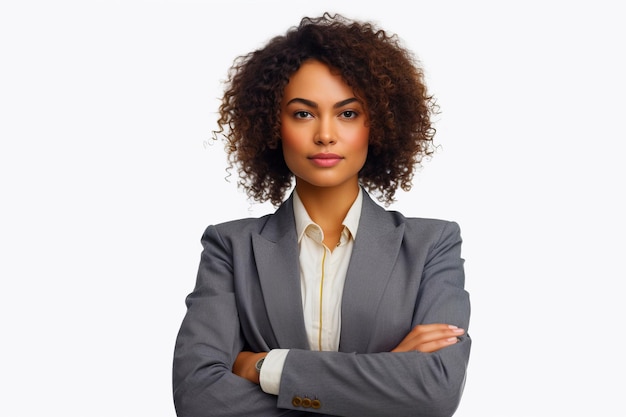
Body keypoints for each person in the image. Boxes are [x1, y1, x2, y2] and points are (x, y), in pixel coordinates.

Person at [173, 12, 471, 417]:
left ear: (378, 124)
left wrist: (261, 365)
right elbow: (199, 398)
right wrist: (382, 388)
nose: (326, 134)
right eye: (303, 113)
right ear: (272, 126)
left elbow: (435, 392)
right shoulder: (230, 247)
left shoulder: (431, 246)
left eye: (348, 113)